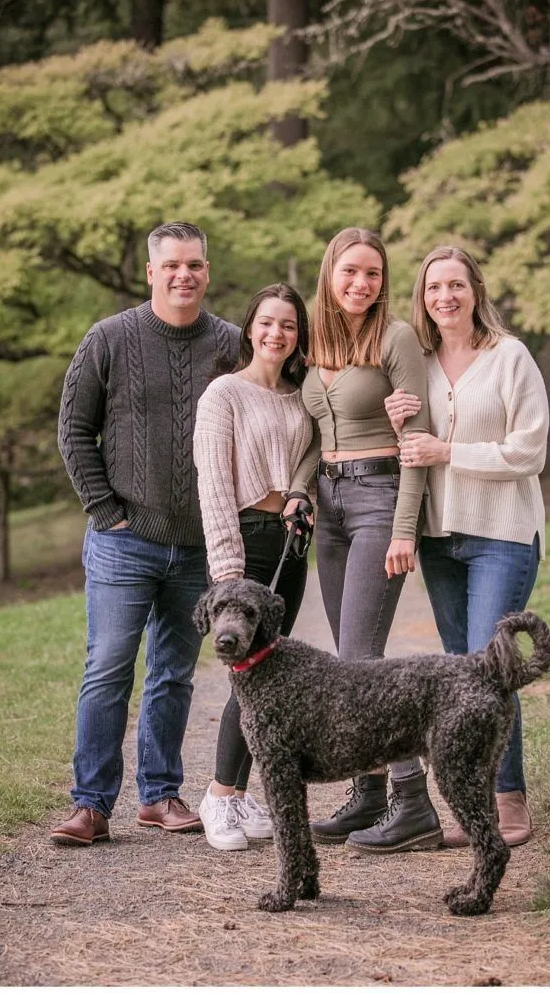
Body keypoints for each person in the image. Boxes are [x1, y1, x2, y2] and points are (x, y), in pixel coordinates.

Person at [51, 221, 240, 846]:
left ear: (207, 272)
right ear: (152, 272)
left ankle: (160, 795)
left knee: (174, 673)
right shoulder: (108, 338)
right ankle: (91, 805)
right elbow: (74, 430)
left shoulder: (232, 344)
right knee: (108, 668)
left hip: (198, 545)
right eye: (172, 265)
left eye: (195, 264)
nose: (184, 275)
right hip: (123, 540)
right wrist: (104, 509)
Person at [385, 245, 549, 847]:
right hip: (440, 539)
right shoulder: (419, 364)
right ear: (422, 298)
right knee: (462, 677)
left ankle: (509, 799)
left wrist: (447, 451)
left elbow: (529, 451)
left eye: (456, 285)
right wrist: (396, 421)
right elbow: (407, 448)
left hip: (502, 535)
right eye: (433, 288)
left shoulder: (510, 357)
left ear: (476, 290)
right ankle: (474, 804)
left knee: (489, 668)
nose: (445, 297)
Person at [286, 226, 443, 853]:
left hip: (381, 498)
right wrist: (300, 491)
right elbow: (313, 435)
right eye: (350, 271)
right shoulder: (315, 339)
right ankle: (369, 794)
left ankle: (413, 802)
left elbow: (417, 440)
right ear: (330, 273)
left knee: (359, 658)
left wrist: (405, 527)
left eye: (373, 273)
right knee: (349, 658)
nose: (361, 283)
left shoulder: (395, 337)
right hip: (329, 508)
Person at [193, 282, 315, 851]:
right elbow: (214, 486)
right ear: (249, 328)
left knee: (266, 676)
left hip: (290, 544)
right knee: (247, 678)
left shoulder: (302, 396)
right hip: (244, 542)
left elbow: (310, 461)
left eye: (288, 325)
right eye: (267, 322)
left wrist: (301, 497)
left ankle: (240, 795)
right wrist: (227, 572)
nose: (276, 333)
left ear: (299, 335)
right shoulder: (224, 394)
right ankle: (218, 796)